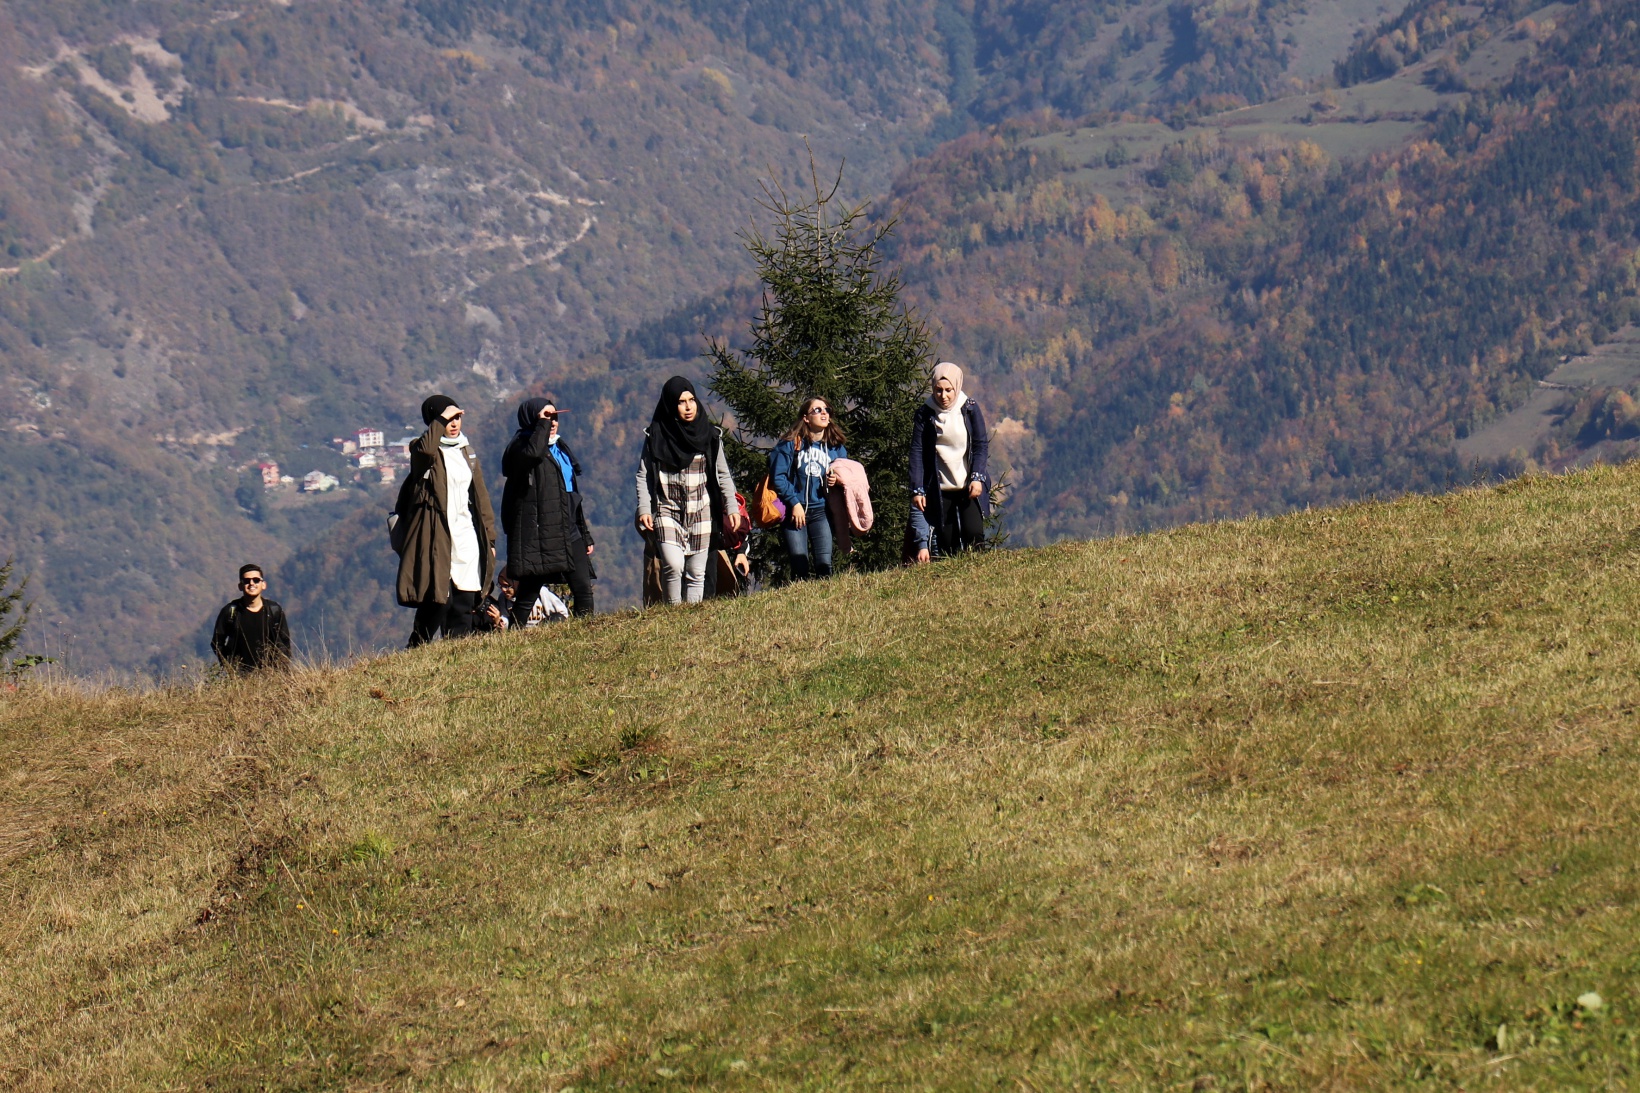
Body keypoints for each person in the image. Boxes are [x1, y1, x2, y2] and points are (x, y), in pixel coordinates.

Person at [393, 394, 497, 647]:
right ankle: (418, 645)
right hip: (437, 534)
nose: (454, 424)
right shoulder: (423, 450)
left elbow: (480, 497)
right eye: (449, 419)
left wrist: (490, 538)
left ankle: (457, 650)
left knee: (465, 597)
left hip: (466, 533)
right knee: (439, 598)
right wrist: (439, 421)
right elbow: (426, 449)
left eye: (458, 417)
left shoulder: (466, 451)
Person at [635, 376, 741, 604]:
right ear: (671, 405)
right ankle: (673, 615)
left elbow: (723, 474)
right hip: (667, 510)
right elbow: (643, 474)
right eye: (681, 402)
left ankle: (691, 621)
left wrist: (732, 506)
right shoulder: (655, 436)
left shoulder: (710, 435)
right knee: (673, 565)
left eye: (691, 400)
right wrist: (644, 508)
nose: (688, 406)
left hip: (701, 510)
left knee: (696, 573)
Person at [501, 395, 595, 623]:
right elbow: (532, 454)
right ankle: (515, 632)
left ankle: (585, 635)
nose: (552, 422)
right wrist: (541, 425)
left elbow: (572, 496)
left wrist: (585, 534)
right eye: (545, 417)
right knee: (529, 592)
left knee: (583, 588)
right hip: (540, 533)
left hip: (568, 529)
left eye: (554, 417)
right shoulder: (520, 448)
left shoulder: (560, 449)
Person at [908, 362, 990, 558]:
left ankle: (979, 578)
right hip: (939, 488)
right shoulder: (925, 414)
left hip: (967, 485)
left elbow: (980, 445)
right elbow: (917, 452)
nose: (943, 396)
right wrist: (917, 489)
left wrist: (977, 477)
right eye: (938, 390)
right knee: (946, 540)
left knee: (973, 534)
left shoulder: (969, 408)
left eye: (948, 390)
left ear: (957, 387)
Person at [769, 397, 847, 579]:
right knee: (799, 567)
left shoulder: (836, 447)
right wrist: (794, 503)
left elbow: (847, 475)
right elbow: (778, 477)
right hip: (794, 512)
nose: (824, 413)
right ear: (805, 418)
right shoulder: (790, 443)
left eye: (826, 409)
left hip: (821, 511)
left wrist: (836, 480)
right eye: (817, 410)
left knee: (825, 566)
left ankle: (825, 604)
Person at [211, 564, 292, 672]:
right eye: (247, 581)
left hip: (271, 676)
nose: (251, 583)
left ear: (263, 585)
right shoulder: (230, 612)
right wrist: (229, 666)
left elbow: (284, 642)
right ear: (240, 586)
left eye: (256, 580)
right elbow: (217, 642)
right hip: (240, 679)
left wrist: (282, 669)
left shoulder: (274, 611)